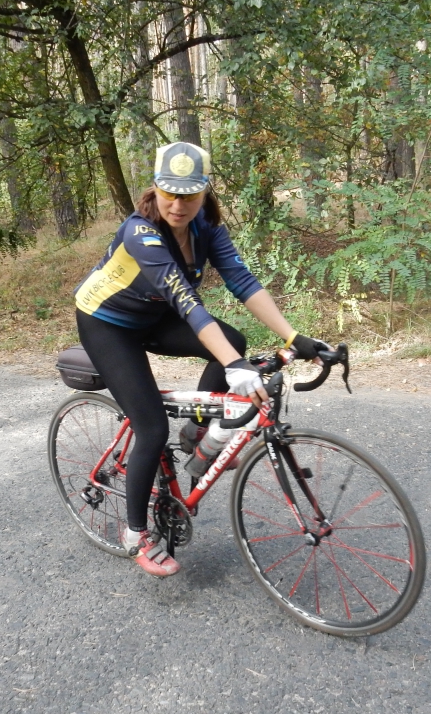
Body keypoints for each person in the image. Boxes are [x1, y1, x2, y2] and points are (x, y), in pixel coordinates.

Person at [74, 142, 329, 577]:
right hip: (107, 324)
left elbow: (242, 282)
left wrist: (293, 336)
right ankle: (136, 533)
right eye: (169, 194)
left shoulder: (206, 228)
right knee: (151, 426)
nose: (178, 205)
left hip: (154, 315)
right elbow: (186, 301)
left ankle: (196, 432)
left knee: (232, 339)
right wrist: (234, 366)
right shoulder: (140, 232)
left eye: (189, 195)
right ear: (155, 189)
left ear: (205, 192)